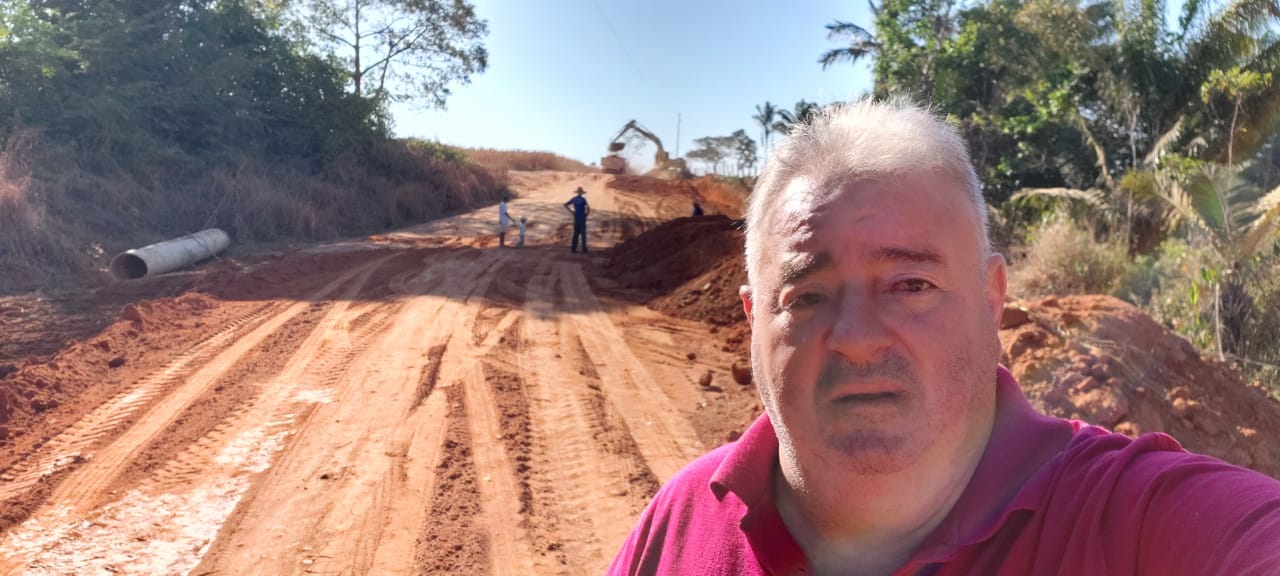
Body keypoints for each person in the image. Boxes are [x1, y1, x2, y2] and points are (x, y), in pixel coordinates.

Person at [608, 98, 1280, 575]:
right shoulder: (680, 523)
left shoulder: (1135, 524)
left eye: (911, 285)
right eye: (806, 296)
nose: (857, 338)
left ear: (992, 300)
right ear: (753, 320)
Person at [564, 186, 590, 253]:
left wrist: (572, 211)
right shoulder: (583, 199)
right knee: (583, 233)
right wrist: (587, 214)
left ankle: (573, 248)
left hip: (576, 217)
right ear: (582, 193)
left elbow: (565, 205)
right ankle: (584, 248)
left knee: (576, 233)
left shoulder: (574, 199)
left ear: (577, 192)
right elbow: (588, 207)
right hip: (582, 217)